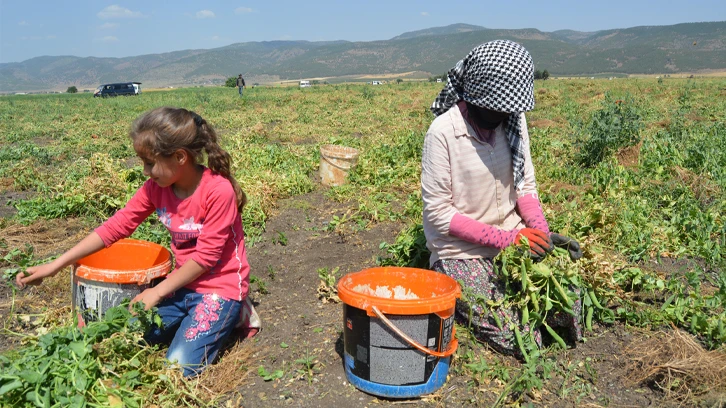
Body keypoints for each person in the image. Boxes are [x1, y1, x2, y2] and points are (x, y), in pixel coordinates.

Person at [16, 107, 259, 377]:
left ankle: (234, 313)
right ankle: (199, 321)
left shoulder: (217, 191)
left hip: (219, 288)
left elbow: (206, 258)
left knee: (177, 368)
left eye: (150, 163)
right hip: (180, 286)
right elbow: (116, 227)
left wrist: (156, 292)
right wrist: (55, 265)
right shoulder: (156, 188)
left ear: (180, 157)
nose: (145, 171)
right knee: (122, 337)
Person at [421, 40, 583, 357]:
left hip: (513, 236)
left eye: (507, 109)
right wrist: (508, 239)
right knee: (518, 338)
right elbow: (439, 214)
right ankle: (455, 287)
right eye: (494, 108)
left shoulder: (512, 119)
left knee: (569, 305)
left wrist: (539, 233)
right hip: (461, 251)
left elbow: (525, 184)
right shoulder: (442, 132)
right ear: (473, 96)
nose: (501, 116)